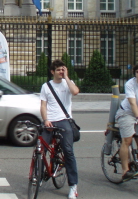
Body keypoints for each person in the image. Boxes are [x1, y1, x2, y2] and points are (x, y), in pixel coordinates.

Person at [40, 59, 80, 199]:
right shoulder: (46, 86)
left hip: (64, 120)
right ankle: (39, 174)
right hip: (50, 121)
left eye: (63, 69)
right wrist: (46, 120)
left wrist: (67, 77)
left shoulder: (68, 84)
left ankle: (73, 186)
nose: (61, 72)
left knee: (68, 152)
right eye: (58, 70)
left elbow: (75, 92)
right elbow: (43, 105)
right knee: (41, 149)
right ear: (52, 72)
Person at [115, 63, 138, 185]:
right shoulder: (130, 84)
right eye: (137, 72)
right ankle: (125, 171)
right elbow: (132, 103)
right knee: (128, 140)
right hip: (127, 113)